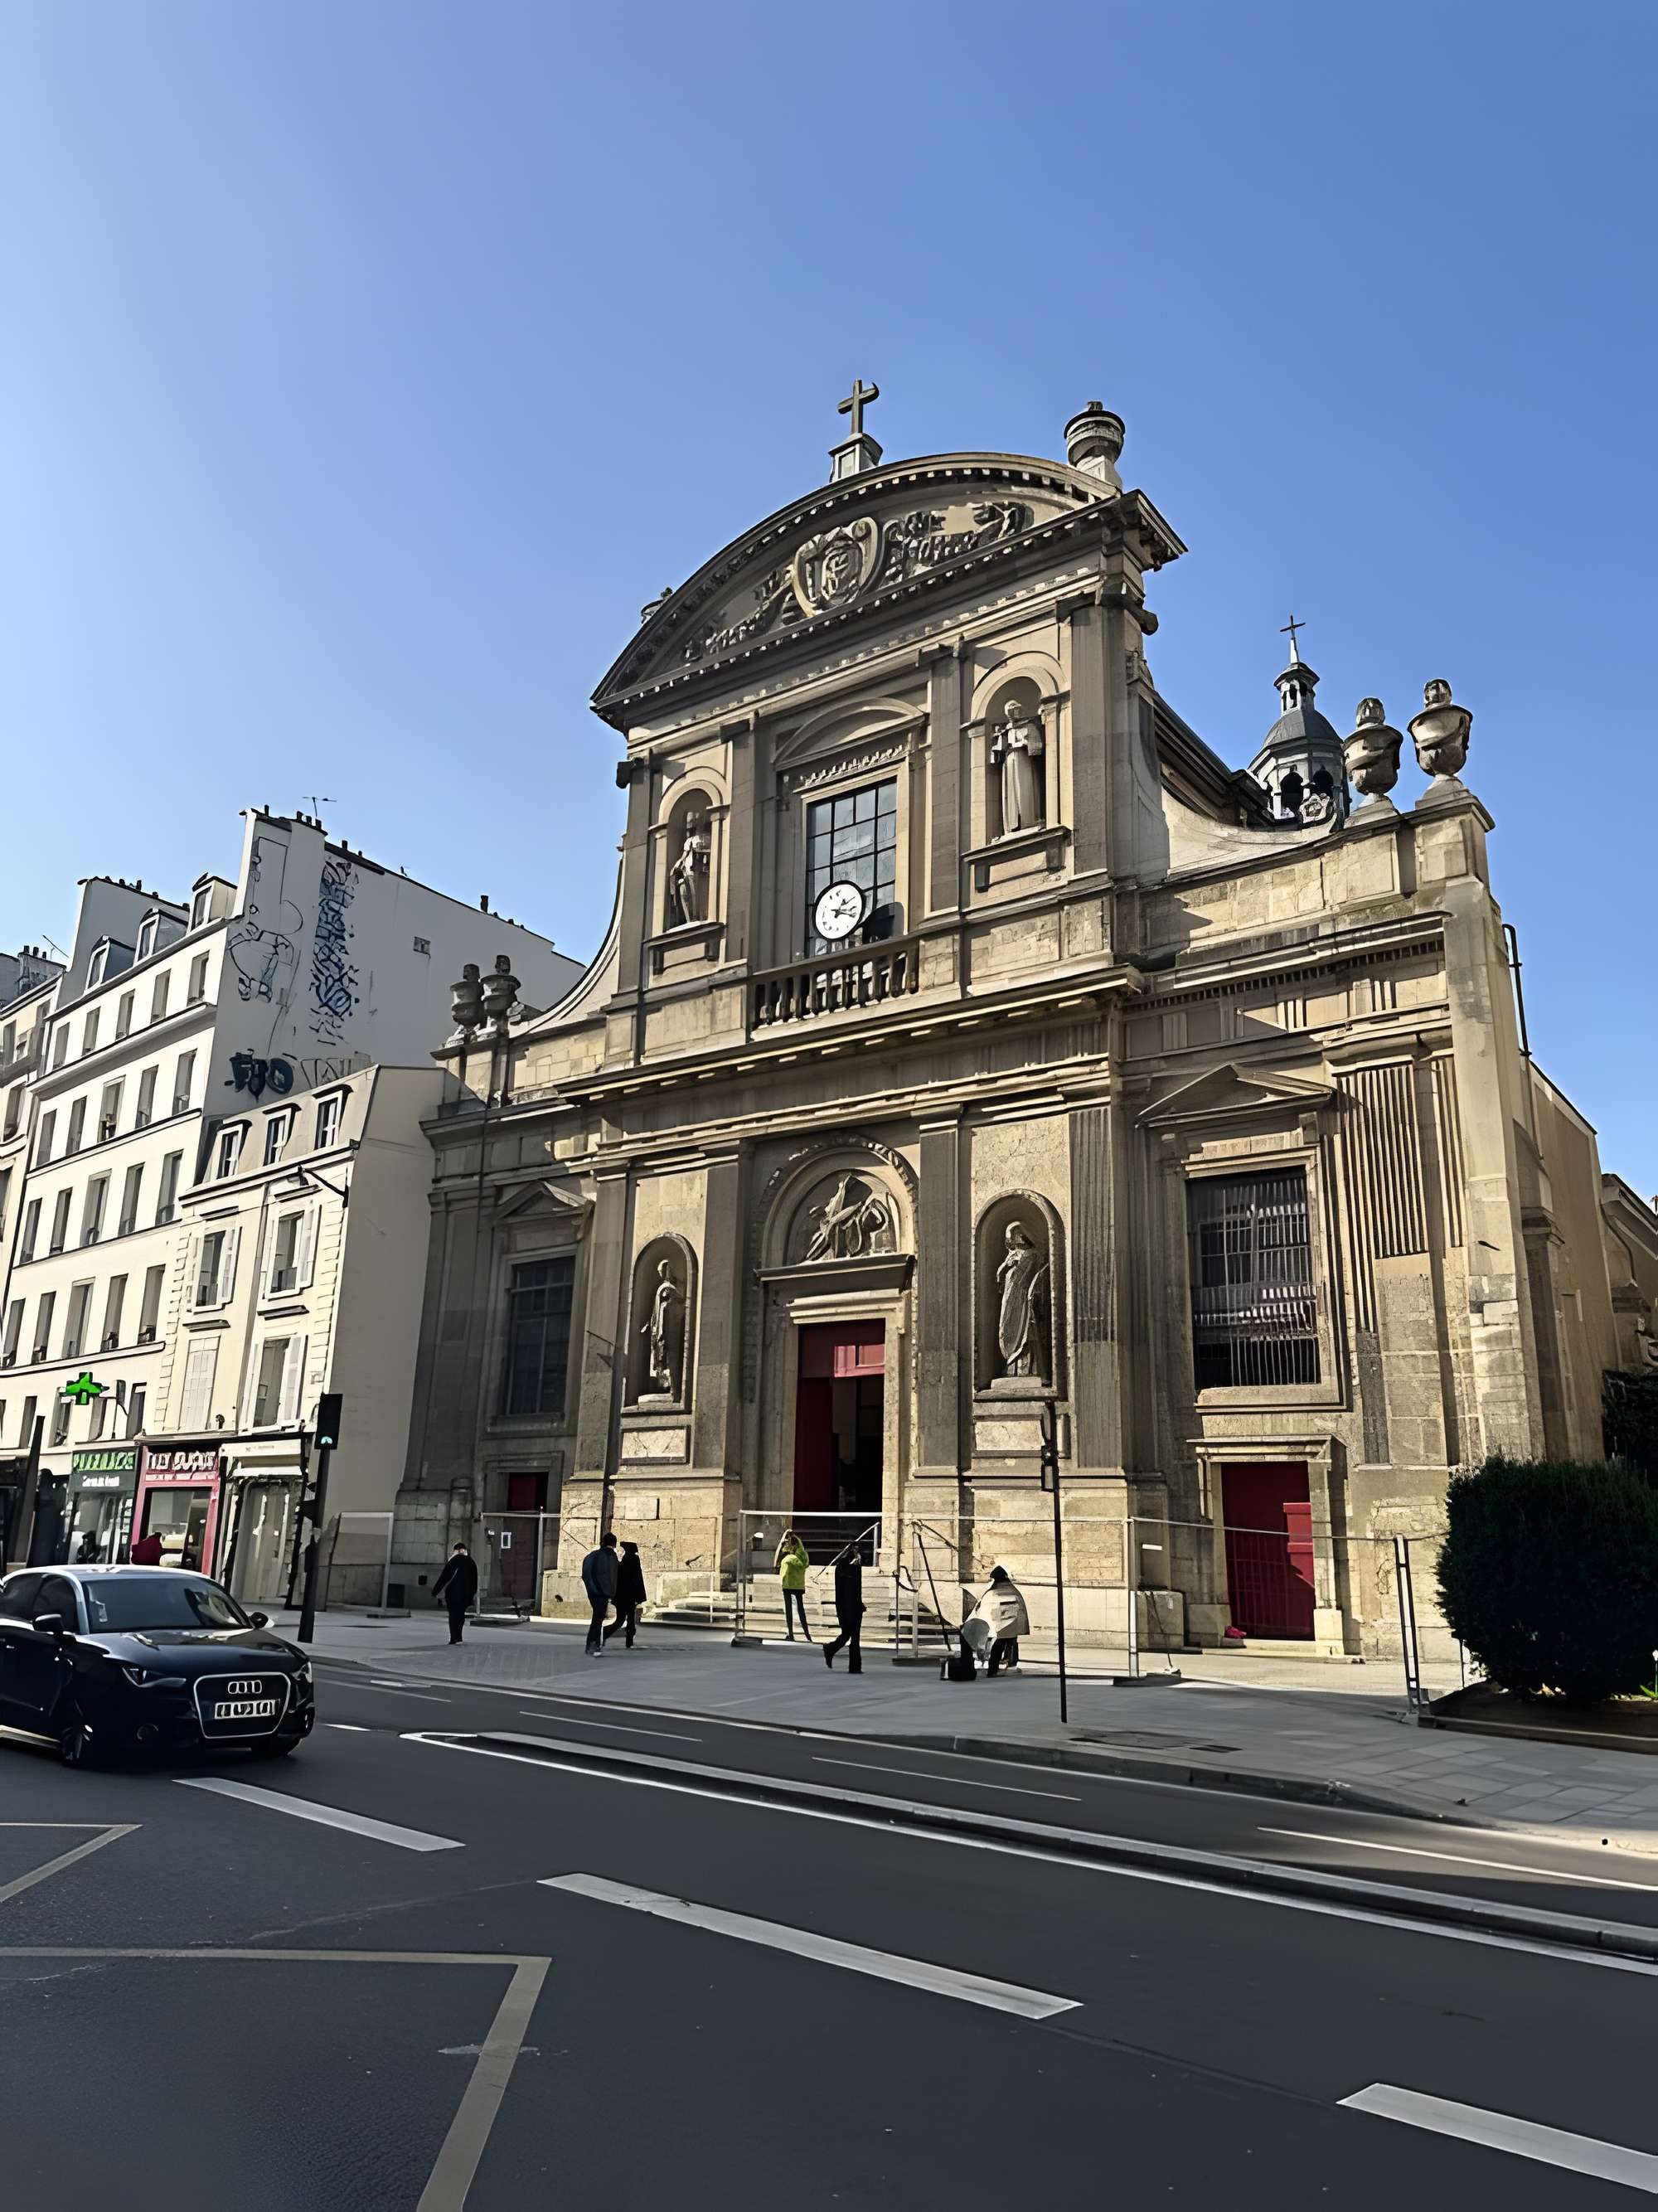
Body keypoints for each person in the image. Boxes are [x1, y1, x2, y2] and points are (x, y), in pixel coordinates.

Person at [967, 1565, 1030, 1676]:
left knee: (1000, 1643)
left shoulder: (991, 1592)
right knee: (1010, 1641)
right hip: (1011, 1622)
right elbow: (1020, 1607)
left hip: (997, 1623)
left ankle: (994, 1668)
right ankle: (1008, 1665)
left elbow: (984, 1608)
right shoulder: (1013, 1590)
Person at [823, 1540, 865, 1674]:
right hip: (848, 1607)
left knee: (851, 1636)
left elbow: (856, 1588)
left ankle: (853, 1665)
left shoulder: (852, 1566)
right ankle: (831, 1650)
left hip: (853, 1606)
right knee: (850, 1635)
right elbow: (848, 1588)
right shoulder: (846, 1567)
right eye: (855, 1550)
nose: (857, 1553)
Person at [432, 1542, 478, 1645]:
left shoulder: (453, 1561)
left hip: (452, 1594)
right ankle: (459, 1636)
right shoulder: (471, 1562)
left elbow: (444, 1578)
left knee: (453, 1615)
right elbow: (475, 1580)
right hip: (465, 1594)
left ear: (455, 1551)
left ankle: (453, 1637)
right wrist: (472, 1594)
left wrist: (435, 1591)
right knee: (461, 1615)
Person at [604, 1539, 647, 1648]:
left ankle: (626, 1640)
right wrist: (639, 1596)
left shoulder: (626, 1561)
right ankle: (606, 1634)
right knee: (626, 1620)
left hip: (624, 1596)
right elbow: (637, 1579)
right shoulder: (632, 1560)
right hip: (628, 1596)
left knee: (624, 1620)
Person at [582, 1530, 619, 1655]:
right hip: (601, 1593)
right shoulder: (610, 1556)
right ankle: (593, 1644)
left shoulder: (593, 1555)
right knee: (598, 1619)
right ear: (614, 1544)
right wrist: (610, 1592)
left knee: (597, 1618)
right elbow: (609, 1576)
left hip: (593, 1591)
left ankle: (593, 1644)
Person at [774, 1527, 812, 1642]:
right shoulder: (803, 1556)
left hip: (787, 1585)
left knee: (789, 1609)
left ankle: (790, 1633)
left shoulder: (787, 1558)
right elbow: (806, 1564)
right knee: (801, 1609)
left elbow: (776, 1563)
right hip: (799, 1585)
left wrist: (782, 1541)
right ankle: (807, 1635)